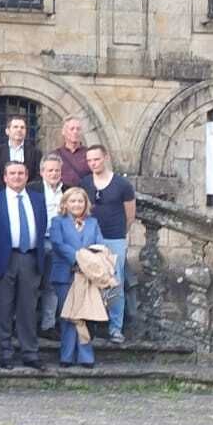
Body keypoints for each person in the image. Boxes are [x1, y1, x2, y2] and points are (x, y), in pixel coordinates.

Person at [0, 161, 48, 370]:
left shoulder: (38, 199)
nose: (17, 177)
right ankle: (5, 353)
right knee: (2, 308)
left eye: (20, 173)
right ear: (5, 177)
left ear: (27, 177)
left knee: (28, 308)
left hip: (30, 258)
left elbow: (42, 226)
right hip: (4, 258)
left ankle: (30, 353)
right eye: (12, 173)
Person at [83, 144, 136, 343]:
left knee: (115, 283)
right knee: (90, 282)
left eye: (96, 159)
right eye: (89, 160)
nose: (93, 163)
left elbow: (130, 215)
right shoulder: (85, 183)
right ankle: (93, 325)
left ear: (105, 157)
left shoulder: (122, 184)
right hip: (90, 238)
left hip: (114, 238)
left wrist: (120, 234)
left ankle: (115, 327)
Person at [50, 187, 105, 368]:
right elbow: (58, 244)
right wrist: (79, 258)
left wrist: (90, 261)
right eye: (72, 201)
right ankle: (66, 355)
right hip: (66, 274)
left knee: (85, 315)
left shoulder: (93, 223)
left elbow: (99, 244)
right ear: (65, 203)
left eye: (80, 201)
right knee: (69, 316)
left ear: (85, 203)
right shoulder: (58, 222)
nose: (76, 204)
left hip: (87, 275)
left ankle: (85, 356)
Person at [31, 154, 69, 332]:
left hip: (58, 243)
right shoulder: (32, 189)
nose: (54, 174)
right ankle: (27, 324)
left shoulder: (68, 190)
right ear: (42, 172)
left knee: (52, 285)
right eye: (50, 170)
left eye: (57, 170)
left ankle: (48, 325)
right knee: (31, 284)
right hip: (37, 242)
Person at [0, 115, 41, 190]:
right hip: (3, 193)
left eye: (22, 127)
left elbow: (38, 175)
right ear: (7, 131)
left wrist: (25, 191)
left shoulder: (35, 153)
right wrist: (7, 192)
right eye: (15, 127)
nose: (19, 130)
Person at [54, 117, 91, 187]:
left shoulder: (89, 153)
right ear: (64, 132)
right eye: (72, 129)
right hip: (62, 192)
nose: (75, 132)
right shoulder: (55, 155)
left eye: (78, 129)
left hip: (84, 191)